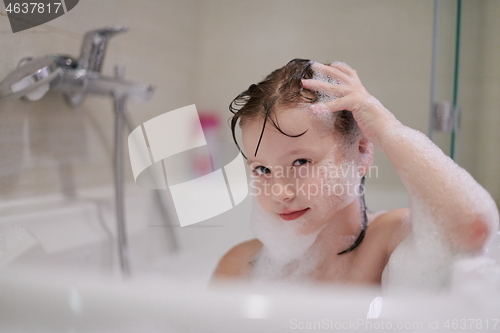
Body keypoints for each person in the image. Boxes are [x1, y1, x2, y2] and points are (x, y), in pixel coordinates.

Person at [211, 59, 499, 288]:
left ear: (361, 151)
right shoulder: (240, 266)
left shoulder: (386, 243)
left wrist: (387, 128)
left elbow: (471, 227)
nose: (280, 192)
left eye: (300, 162)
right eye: (262, 169)